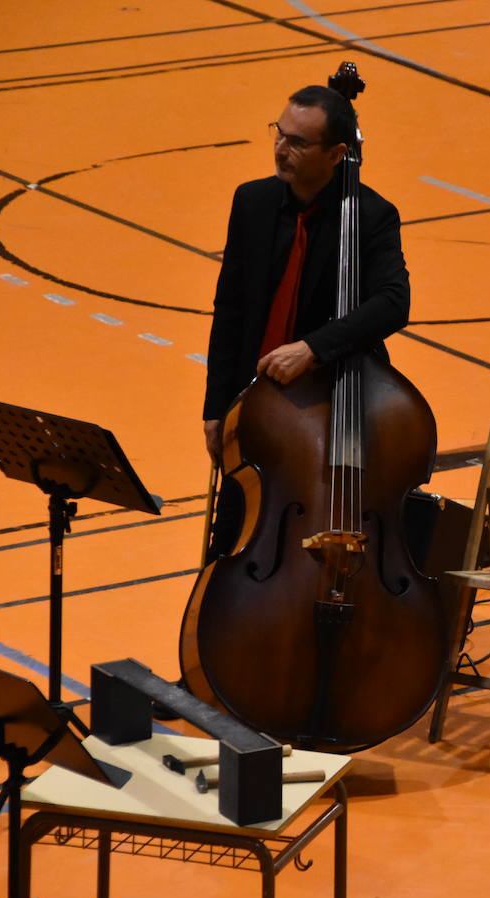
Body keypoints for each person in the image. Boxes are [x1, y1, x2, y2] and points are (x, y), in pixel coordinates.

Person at [201, 84, 410, 556]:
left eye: (297, 142)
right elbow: (229, 310)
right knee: (230, 546)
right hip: (251, 407)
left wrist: (314, 348)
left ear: (337, 154)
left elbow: (394, 302)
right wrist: (215, 408)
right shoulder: (251, 203)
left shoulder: (372, 216)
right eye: (279, 133)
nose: (281, 148)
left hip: (327, 411)